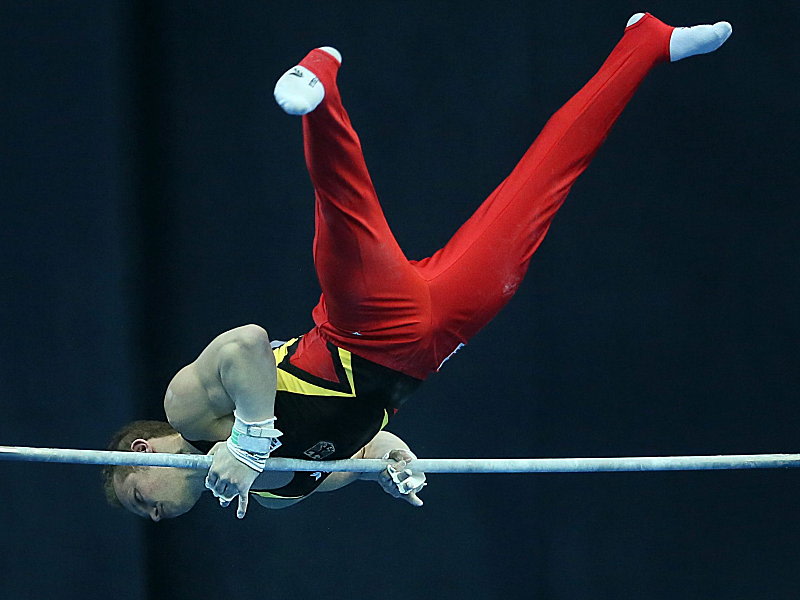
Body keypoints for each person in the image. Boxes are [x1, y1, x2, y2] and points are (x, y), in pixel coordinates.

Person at [103, 13, 732, 521]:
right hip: (438, 341)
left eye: (139, 498)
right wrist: (393, 462)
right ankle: (645, 43)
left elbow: (243, 345)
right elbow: (357, 444)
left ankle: (322, 89)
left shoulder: (185, 408)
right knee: (544, 183)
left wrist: (249, 435)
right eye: (147, 517)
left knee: (345, 209)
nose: (154, 515)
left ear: (142, 449)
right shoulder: (276, 494)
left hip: (363, 332)